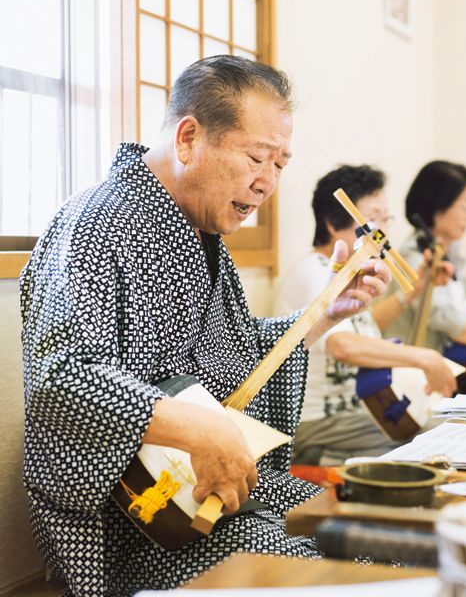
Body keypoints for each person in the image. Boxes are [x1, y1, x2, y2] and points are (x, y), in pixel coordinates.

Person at [20, 56, 390, 597]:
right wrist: (197, 426)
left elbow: (241, 354)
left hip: (219, 492)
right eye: (257, 158)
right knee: (327, 572)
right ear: (189, 138)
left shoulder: (201, 233)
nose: (267, 183)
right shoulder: (96, 226)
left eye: (281, 164)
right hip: (142, 523)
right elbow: (60, 380)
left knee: (379, 532)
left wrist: (324, 314)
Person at [274, 165, 457, 466]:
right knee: (436, 438)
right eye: (373, 219)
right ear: (334, 222)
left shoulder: (348, 274)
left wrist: (416, 288)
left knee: (443, 422)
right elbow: (342, 345)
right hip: (319, 423)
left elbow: (366, 327)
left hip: (362, 413)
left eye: (386, 219)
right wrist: (424, 357)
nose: (383, 232)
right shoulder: (314, 272)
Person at [374, 160, 466, 384]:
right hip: (410, 382)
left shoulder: (441, 249)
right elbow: (446, 315)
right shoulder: (415, 256)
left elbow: (457, 292)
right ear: (438, 206)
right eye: (464, 206)